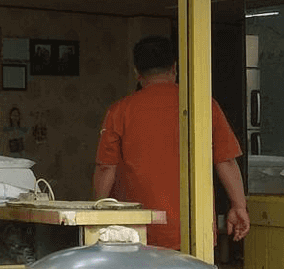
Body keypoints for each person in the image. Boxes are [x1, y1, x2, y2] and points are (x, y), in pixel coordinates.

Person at [93, 35, 250, 250]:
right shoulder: (203, 106)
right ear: (174, 68)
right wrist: (239, 206)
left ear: (137, 72)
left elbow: (106, 168)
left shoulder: (119, 111)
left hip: (134, 231)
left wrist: (97, 215)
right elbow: (226, 161)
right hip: (192, 230)